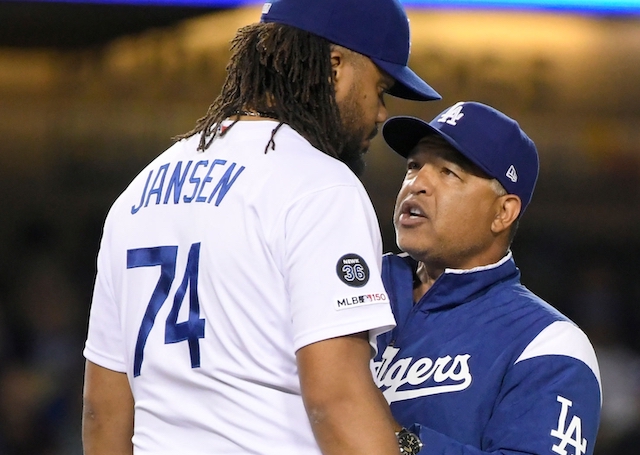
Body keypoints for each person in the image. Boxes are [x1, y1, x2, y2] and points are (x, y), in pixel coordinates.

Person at [82, 0, 441, 454]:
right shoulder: (319, 184)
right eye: (381, 87)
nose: (381, 113)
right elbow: (336, 400)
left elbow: (103, 408)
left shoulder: (138, 192)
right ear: (334, 65)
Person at [372, 101, 602, 455]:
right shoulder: (354, 282)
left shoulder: (546, 343)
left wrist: (396, 442)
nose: (417, 184)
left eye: (448, 172)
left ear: (503, 212)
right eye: (414, 165)